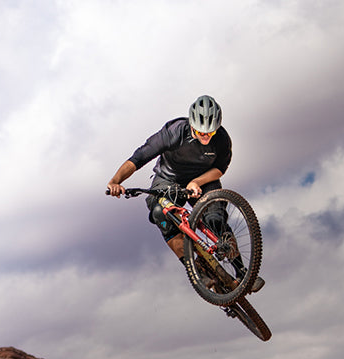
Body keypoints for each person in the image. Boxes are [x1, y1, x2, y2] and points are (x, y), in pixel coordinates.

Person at [106, 94, 263, 292]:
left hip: (204, 179)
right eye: (200, 132)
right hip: (168, 179)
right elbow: (139, 158)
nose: (206, 136)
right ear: (191, 125)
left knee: (215, 219)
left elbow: (220, 169)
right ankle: (196, 267)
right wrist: (115, 181)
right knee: (159, 214)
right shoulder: (174, 131)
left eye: (210, 133)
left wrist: (196, 182)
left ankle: (242, 272)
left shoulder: (222, 139)